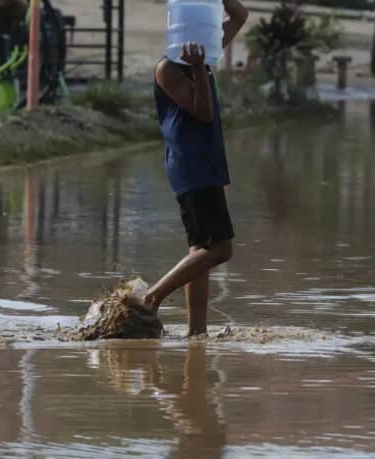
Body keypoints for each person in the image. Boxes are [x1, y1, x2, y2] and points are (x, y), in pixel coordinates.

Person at [145, 0, 249, 337]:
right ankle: (152, 297)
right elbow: (202, 112)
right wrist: (200, 69)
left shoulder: (205, 55)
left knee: (199, 251)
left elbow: (240, 16)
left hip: (205, 163)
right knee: (219, 249)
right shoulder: (169, 70)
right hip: (192, 167)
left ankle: (196, 333)